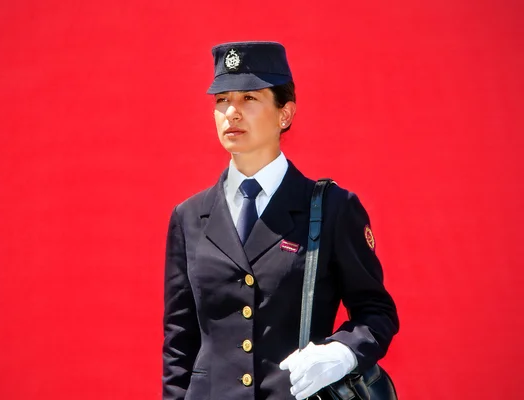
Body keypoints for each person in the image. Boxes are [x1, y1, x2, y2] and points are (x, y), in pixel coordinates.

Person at [162, 41, 399, 400]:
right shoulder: (190, 216)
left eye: (249, 99)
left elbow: (376, 312)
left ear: (285, 114)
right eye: (222, 100)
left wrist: (343, 352)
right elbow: (179, 344)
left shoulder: (332, 208)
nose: (232, 112)